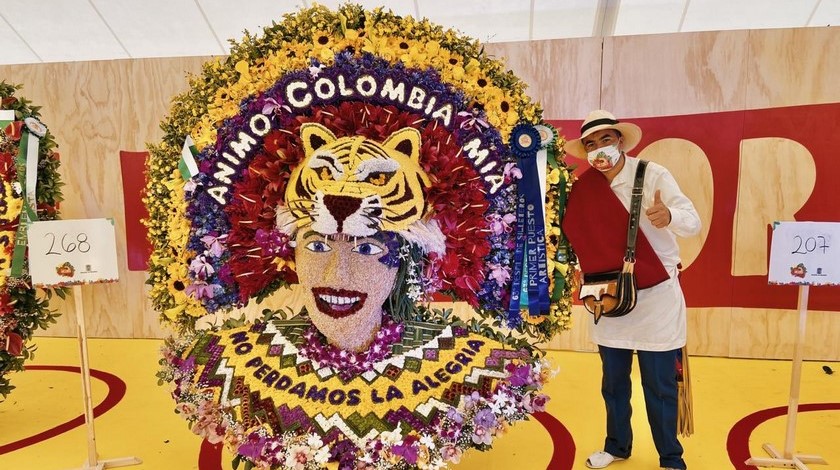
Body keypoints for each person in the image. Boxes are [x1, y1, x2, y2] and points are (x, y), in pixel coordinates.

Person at [562, 110, 701, 470]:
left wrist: (669, 216)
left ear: (620, 140)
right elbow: (580, 237)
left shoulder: (652, 174)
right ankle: (617, 445)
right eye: (590, 144)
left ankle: (671, 458)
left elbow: (692, 220)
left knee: (660, 385)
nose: (599, 150)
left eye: (605, 140)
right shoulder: (584, 187)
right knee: (613, 382)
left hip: (655, 296)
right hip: (609, 297)